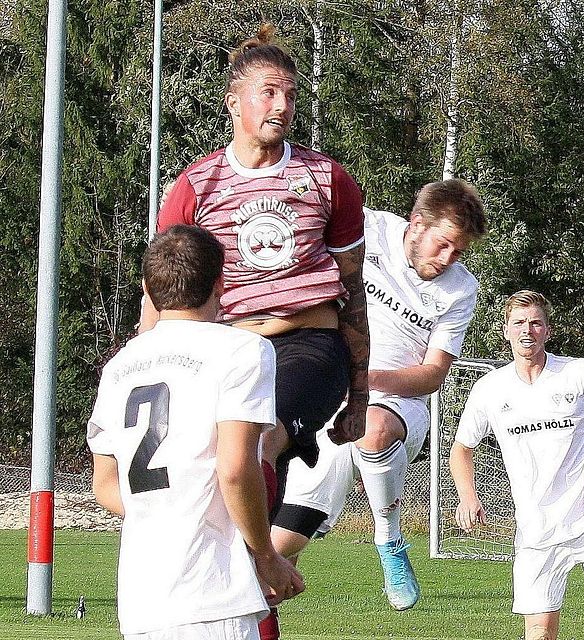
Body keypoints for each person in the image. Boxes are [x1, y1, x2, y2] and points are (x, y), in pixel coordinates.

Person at [139, 26, 369, 638]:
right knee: (209, 476)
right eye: (268, 93)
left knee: (258, 443)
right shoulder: (195, 185)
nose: (281, 107)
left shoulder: (328, 180)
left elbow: (354, 293)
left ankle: (254, 571)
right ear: (234, 99)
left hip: (307, 345)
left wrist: (360, 391)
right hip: (226, 348)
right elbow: (159, 292)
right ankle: (247, 594)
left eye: (290, 95)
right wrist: (142, 363)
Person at [275, 178, 488, 610]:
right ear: (416, 223)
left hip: (396, 404)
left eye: (459, 252)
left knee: (371, 430)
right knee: (271, 560)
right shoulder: (368, 231)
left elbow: (431, 375)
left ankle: (389, 539)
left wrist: (364, 380)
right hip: (326, 402)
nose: (448, 259)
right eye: (443, 244)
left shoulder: (460, 289)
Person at [87, 225, 304, 640]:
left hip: (142, 599)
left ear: (148, 290)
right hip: (213, 592)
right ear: (222, 282)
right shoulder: (242, 350)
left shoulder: (119, 366)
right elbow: (237, 467)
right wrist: (265, 556)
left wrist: (171, 511)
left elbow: (106, 483)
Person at [449, 290, 584, 640]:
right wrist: (468, 496)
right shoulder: (489, 390)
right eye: (520, 323)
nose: (528, 330)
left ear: (548, 331)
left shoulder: (578, 372)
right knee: (540, 635)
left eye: (536, 323)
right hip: (536, 532)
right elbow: (461, 449)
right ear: (506, 330)